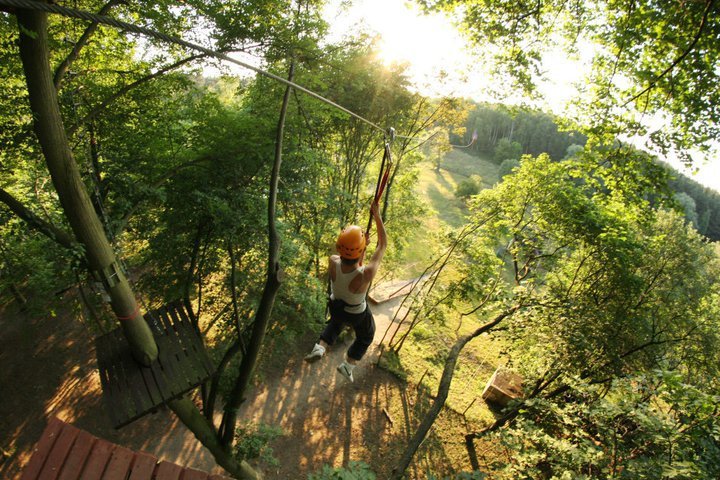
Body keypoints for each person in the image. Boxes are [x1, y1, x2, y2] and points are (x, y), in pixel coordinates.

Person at [304, 202, 387, 382]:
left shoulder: (333, 261)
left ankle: (320, 347)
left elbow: (351, 265)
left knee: (336, 322)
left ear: (339, 246)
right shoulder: (366, 274)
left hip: (336, 306)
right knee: (366, 335)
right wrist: (377, 215)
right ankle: (348, 365)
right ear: (360, 251)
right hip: (356, 314)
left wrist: (362, 248)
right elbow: (382, 246)